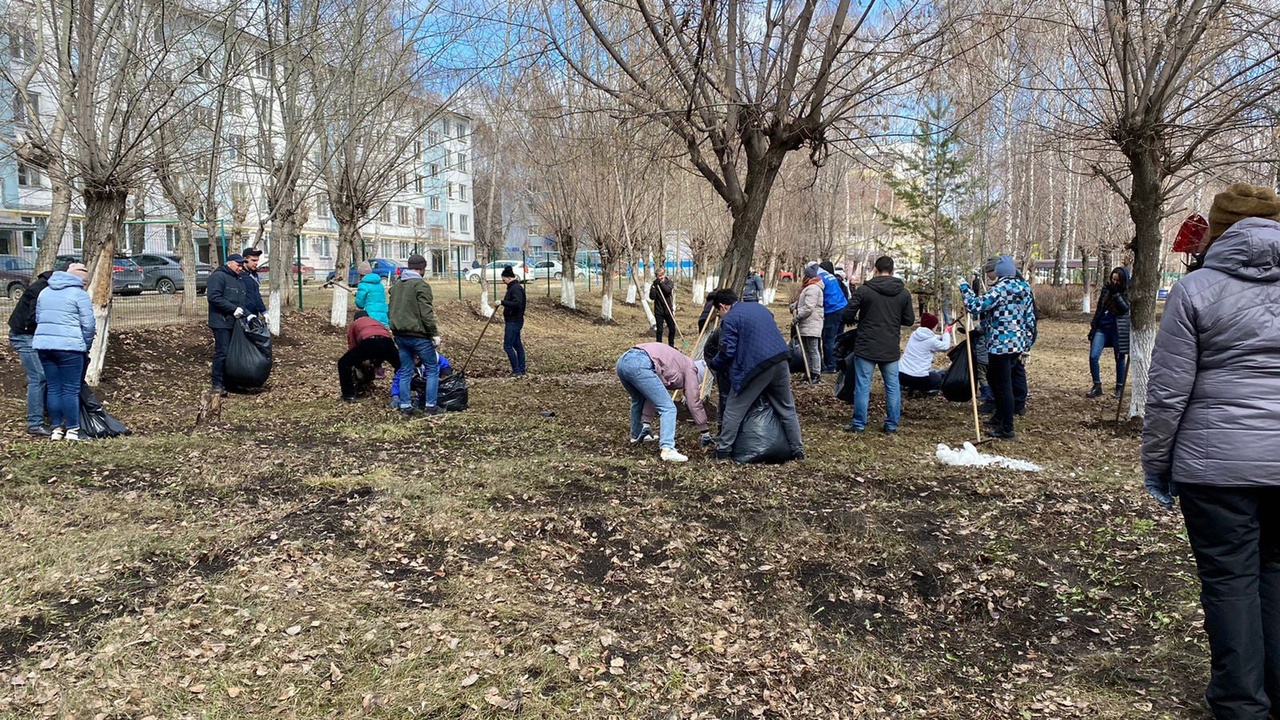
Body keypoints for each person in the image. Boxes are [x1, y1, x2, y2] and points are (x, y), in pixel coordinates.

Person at [1142, 182, 1280, 720]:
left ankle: (1241, 705)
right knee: (1274, 572)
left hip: (1215, 465)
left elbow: (1168, 391)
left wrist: (1158, 464)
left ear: (1218, 230)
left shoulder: (1196, 290)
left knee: (1230, 580)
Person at [708, 289, 804, 461]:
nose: (720, 316)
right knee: (786, 407)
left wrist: (714, 364)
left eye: (718, 312)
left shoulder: (730, 319)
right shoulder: (759, 308)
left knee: (733, 408)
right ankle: (798, 450)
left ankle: (722, 451)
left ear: (723, 306)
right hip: (781, 359)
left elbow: (727, 352)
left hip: (756, 366)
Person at [960, 255, 1036, 440]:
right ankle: (1000, 417)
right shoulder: (1024, 288)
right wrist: (1027, 341)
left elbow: (975, 306)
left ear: (1000, 272)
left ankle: (1007, 428)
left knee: (1002, 386)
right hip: (1017, 344)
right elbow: (1029, 317)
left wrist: (964, 287)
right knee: (997, 380)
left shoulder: (1000, 289)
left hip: (1000, 345)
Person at [840, 255, 913, 433]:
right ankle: (891, 424)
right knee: (892, 386)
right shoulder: (903, 293)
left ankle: (859, 423)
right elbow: (909, 320)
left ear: (876, 270)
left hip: (866, 345)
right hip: (890, 345)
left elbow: (846, 314)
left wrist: (858, 319)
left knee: (863, 385)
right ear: (893, 271)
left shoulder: (865, 290)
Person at [615, 342, 711, 463]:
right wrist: (705, 431)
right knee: (668, 408)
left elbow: (652, 393)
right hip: (641, 363)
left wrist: (647, 422)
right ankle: (667, 448)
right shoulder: (692, 368)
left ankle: (636, 435)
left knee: (638, 399)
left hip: (624, 361)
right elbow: (693, 401)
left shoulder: (677, 362)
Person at [32, 263, 95, 441]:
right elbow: (89, 325)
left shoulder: (44, 292)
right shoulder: (79, 295)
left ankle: (56, 429)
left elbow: (38, 318)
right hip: (70, 347)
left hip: (44, 346)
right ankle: (73, 430)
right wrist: (86, 344)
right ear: (82, 282)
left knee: (53, 388)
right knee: (70, 389)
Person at [389, 254, 441, 416]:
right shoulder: (421, 285)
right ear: (422, 268)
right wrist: (434, 333)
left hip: (400, 334)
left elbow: (390, 309)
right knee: (432, 368)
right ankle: (431, 406)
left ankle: (405, 406)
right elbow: (426, 312)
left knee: (405, 370)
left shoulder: (397, 286)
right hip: (418, 335)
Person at [7, 268, 55, 435]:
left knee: (47, 375)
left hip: (33, 335)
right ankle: (35, 423)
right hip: (24, 336)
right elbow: (32, 317)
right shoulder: (41, 289)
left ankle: (50, 414)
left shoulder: (48, 285)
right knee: (39, 376)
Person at [206, 253, 247, 395]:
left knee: (232, 354)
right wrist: (232, 309)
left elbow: (240, 301)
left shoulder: (238, 279)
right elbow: (214, 297)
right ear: (229, 263)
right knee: (222, 353)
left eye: (242, 265)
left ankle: (230, 383)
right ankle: (217, 384)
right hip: (221, 321)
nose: (241, 267)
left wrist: (249, 314)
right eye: (238, 264)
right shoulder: (218, 277)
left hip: (234, 321)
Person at [1086, 266, 1130, 398]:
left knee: (1119, 358)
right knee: (1093, 356)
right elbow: (1100, 307)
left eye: (1117, 280)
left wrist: (1116, 294)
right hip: (1102, 327)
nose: (1114, 282)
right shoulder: (1107, 289)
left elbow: (1125, 308)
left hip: (1119, 329)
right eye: (1113, 279)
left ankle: (1119, 387)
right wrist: (1093, 326)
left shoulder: (1127, 291)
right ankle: (1097, 385)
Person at [338, 310, 401, 402]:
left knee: (343, 363)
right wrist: (377, 363)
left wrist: (358, 363)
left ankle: (348, 395)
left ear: (355, 319)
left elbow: (352, 345)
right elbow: (387, 336)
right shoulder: (376, 322)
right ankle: (400, 392)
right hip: (386, 342)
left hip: (369, 341)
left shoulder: (355, 324)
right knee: (401, 365)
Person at [899, 312, 951, 397]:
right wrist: (947, 333)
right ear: (933, 326)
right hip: (918, 378)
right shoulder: (931, 342)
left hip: (902, 375)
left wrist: (941, 336)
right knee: (939, 378)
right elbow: (945, 346)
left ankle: (909, 387)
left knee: (931, 371)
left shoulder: (914, 334)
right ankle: (926, 389)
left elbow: (931, 337)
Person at [791, 263, 824, 383]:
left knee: (813, 349)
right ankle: (808, 372)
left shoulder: (813, 288)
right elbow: (805, 303)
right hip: (808, 324)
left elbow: (809, 307)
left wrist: (798, 317)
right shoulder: (809, 288)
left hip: (812, 324)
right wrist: (795, 305)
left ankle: (815, 373)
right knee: (806, 350)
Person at [816, 261, 848, 373]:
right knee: (838, 338)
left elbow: (818, 297)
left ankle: (831, 366)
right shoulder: (833, 278)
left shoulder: (820, 278)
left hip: (832, 310)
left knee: (828, 339)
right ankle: (839, 364)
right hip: (843, 308)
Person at [499, 265, 527, 377]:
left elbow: (517, 303)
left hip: (514, 321)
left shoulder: (515, 288)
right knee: (517, 346)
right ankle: (521, 369)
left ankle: (516, 370)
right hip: (514, 320)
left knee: (507, 346)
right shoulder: (514, 287)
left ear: (509, 278)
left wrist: (502, 302)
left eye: (504, 279)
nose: (503, 281)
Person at [354, 261, 390, 327]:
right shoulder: (380, 284)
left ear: (360, 274)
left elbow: (360, 304)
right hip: (383, 315)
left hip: (370, 315)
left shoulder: (363, 285)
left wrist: (357, 296)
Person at [649, 267, 677, 346]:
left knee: (672, 329)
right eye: (659, 276)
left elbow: (667, 291)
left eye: (662, 275)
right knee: (660, 330)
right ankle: (659, 346)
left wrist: (661, 283)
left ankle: (671, 345)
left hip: (668, 309)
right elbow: (652, 297)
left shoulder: (669, 282)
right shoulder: (654, 284)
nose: (661, 277)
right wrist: (654, 288)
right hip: (659, 310)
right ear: (656, 276)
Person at [240, 247, 266, 317]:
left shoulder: (254, 274)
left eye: (257, 260)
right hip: (241, 314)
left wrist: (264, 311)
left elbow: (256, 295)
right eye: (253, 260)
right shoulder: (238, 275)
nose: (256, 263)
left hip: (254, 314)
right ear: (245, 259)